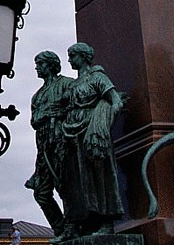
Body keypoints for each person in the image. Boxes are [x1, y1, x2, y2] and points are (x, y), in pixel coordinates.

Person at [58, 42, 127, 236]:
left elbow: (116, 101)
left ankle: (106, 221)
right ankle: (85, 221)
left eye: (73, 56)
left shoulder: (97, 78)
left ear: (83, 57)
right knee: (78, 180)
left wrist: (103, 125)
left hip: (92, 132)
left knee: (99, 176)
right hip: (73, 135)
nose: (70, 59)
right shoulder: (73, 84)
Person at [25, 51, 72, 238]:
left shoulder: (67, 84)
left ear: (51, 65)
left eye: (40, 64)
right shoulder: (37, 96)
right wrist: (46, 114)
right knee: (41, 193)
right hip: (43, 147)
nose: (37, 67)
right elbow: (34, 120)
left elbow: (76, 108)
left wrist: (58, 112)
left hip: (62, 141)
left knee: (66, 187)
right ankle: (60, 228)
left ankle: (72, 228)